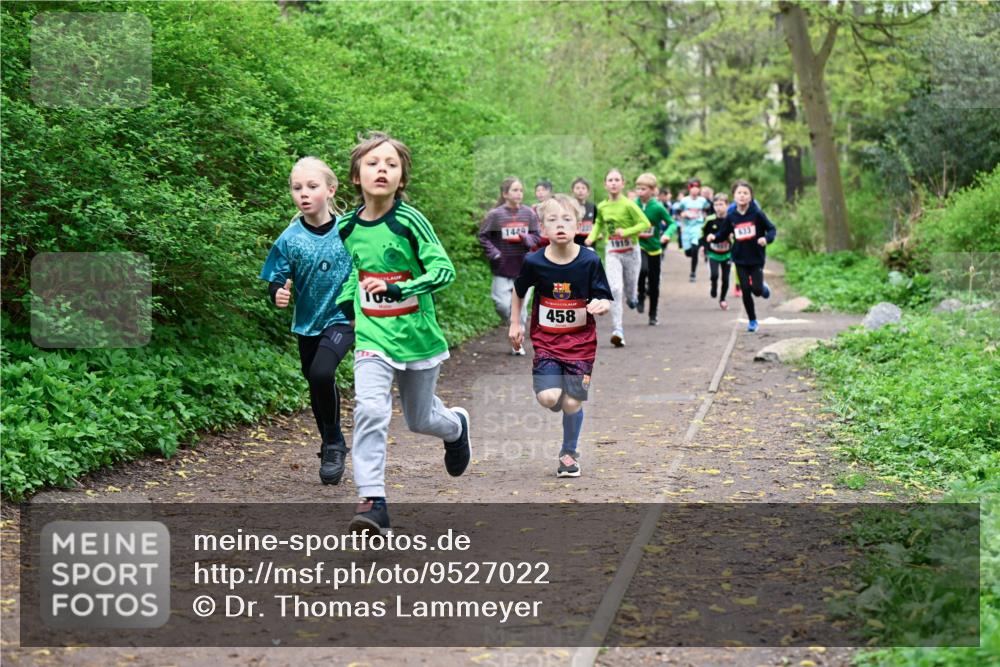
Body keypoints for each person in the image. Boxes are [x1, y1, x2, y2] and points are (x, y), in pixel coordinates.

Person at [335, 132, 471, 534]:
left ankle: (457, 426)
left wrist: (400, 288)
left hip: (417, 336)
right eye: (374, 163)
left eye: (391, 164)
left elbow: (443, 270)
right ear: (356, 177)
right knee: (371, 410)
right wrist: (348, 309)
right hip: (372, 337)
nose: (382, 169)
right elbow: (350, 276)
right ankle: (373, 501)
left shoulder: (409, 221)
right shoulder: (345, 228)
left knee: (420, 419)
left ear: (402, 179)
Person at [260, 157, 355, 486]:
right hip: (308, 323)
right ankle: (333, 441)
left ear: (330, 190)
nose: (304, 193)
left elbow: (367, 264)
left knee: (321, 371)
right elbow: (276, 278)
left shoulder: (349, 231)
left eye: (312, 187)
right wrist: (277, 294)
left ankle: (331, 445)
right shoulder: (289, 238)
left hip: (343, 317)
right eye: (297, 187)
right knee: (316, 382)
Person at [509, 194, 612, 477]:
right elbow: (519, 291)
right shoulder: (534, 261)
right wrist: (514, 323)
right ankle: (556, 391)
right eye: (552, 220)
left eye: (567, 219)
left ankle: (569, 452)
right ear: (542, 228)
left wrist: (601, 305)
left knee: (571, 403)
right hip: (547, 342)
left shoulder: (590, 260)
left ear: (579, 224)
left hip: (581, 345)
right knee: (549, 398)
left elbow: (603, 296)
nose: (560, 225)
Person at [584, 169, 651, 348]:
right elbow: (599, 223)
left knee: (629, 291)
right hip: (612, 250)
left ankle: (633, 297)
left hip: (631, 251)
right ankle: (617, 330)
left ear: (622, 183)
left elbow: (645, 223)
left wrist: (626, 232)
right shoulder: (603, 206)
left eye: (616, 180)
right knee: (614, 288)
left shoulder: (629, 204)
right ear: (605, 184)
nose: (613, 183)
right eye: (610, 180)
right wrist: (592, 236)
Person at [477, 177, 541, 355]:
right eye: (514, 190)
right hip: (502, 267)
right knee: (501, 305)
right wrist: (494, 253)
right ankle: (516, 326)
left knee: (519, 309)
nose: (519, 193)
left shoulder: (528, 214)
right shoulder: (496, 215)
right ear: (505, 194)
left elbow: (537, 235)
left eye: (521, 190)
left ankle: (517, 344)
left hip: (524, 268)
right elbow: (483, 236)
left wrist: (525, 239)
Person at [707, 179, 777, 332]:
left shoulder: (757, 214)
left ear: (751, 197)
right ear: (734, 196)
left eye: (746, 193)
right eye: (739, 193)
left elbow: (772, 229)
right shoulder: (731, 216)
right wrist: (714, 237)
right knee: (745, 289)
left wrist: (766, 239)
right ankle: (752, 321)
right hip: (739, 257)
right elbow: (723, 233)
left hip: (756, 257)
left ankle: (762, 288)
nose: (742, 196)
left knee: (756, 290)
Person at [634, 173, 676, 326]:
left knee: (654, 283)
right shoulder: (634, 204)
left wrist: (667, 234)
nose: (640, 192)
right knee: (642, 270)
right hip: (638, 246)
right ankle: (640, 295)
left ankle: (653, 314)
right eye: (638, 188)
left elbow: (672, 223)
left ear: (652, 190)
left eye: (643, 189)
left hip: (654, 248)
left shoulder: (658, 207)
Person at [700, 193, 734, 310]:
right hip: (713, 253)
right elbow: (702, 234)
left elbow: (736, 235)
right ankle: (713, 285)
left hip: (727, 254)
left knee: (725, 279)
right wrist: (703, 246)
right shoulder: (709, 220)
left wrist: (732, 239)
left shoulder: (731, 219)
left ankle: (722, 299)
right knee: (714, 275)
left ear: (727, 205)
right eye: (716, 205)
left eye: (721, 204)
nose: (718, 207)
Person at [678, 178, 709, 282]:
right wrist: (684, 214)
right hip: (687, 228)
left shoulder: (703, 201)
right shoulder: (684, 201)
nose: (695, 189)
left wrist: (703, 216)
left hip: (698, 227)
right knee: (688, 252)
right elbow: (678, 213)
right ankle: (695, 252)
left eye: (697, 187)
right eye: (693, 187)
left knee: (695, 249)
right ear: (689, 188)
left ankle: (693, 273)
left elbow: (707, 212)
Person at [571, 177, 597, 246]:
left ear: (588, 192)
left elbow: (596, 225)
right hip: (572, 244)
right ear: (572, 190)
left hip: (589, 245)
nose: (580, 191)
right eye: (577, 188)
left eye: (583, 188)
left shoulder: (592, 207)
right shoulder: (568, 207)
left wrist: (597, 233)